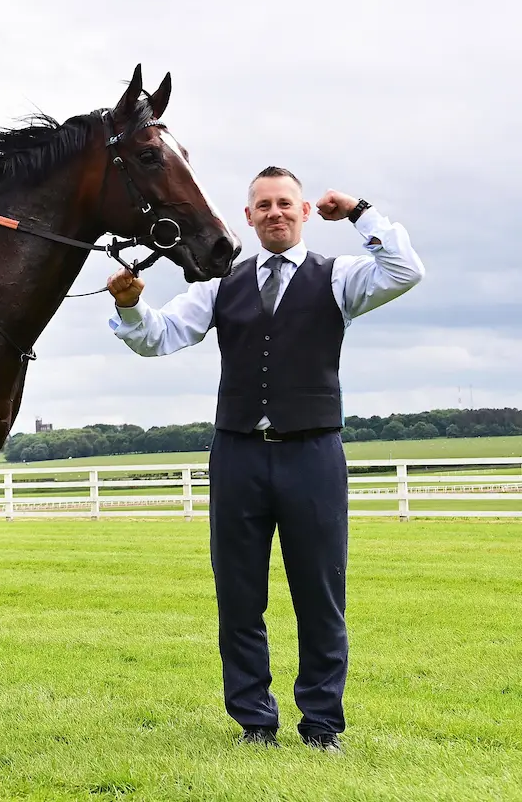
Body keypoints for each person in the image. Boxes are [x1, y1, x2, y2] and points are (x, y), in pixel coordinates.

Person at [107, 166, 425, 753]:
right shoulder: (220, 283)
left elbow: (404, 270)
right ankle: (254, 721)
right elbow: (161, 336)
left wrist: (360, 213)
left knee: (320, 595)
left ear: (304, 213)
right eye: (264, 205)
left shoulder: (339, 277)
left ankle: (322, 724)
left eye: (285, 203)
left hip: (313, 453)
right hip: (237, 455)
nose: (275, 212)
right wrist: (131, 308)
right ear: (248, 217)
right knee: (238, 596)